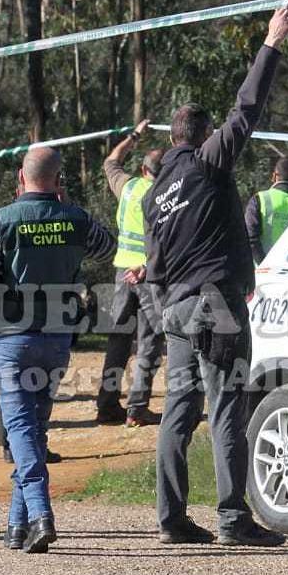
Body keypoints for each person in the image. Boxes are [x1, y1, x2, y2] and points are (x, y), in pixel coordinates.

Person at [137, 0, 288, 547]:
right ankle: (233, 520)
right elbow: (247, 108)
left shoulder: (155, 192)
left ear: (169, 140)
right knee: (228, 404)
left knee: (178, 413)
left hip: (177, 310)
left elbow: (154, 264)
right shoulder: (210, 164)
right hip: (216, 302)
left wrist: (163, 309)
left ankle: (171, 519)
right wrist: (272, 42)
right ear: (202, 136)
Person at [0, 146, 114, 554]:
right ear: (58, 181)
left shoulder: (2, 219)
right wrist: (70, 208)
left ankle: (40, 513)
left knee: (20, 430)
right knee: (33, 429)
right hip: (56, 339)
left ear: (20, 177)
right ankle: (17, 526)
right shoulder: (76, 218)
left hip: (12, 338)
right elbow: (106, 247)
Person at [95, 120, 165, 427]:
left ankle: (108, 405)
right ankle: (137, 408)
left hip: (123, 271)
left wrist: (134, 135)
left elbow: (111, 161)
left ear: (142, 170)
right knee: (150, 339)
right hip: (148, 276)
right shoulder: (165, 197)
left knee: (118, 340)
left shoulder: (128, 186)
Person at [245, 156, 288, 263]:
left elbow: (250, 238)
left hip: (263, 273)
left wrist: (264, 265)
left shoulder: (260, 199)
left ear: (274, 176)